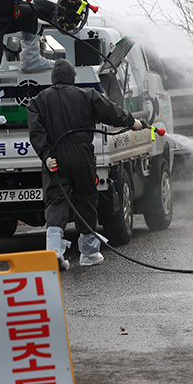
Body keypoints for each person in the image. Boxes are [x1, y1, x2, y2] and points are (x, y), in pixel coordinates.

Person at [27, 59, 143, 269]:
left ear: (53, 78)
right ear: (72, 77)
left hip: (55, 156)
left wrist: (45, 155)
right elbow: (111, 112)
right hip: (82, 154)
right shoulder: (86, 95)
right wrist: (132, 122)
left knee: (56, 200)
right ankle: (89, 253)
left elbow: (35, 130)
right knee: (86, 198)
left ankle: (54, 251)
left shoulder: (39, 100)